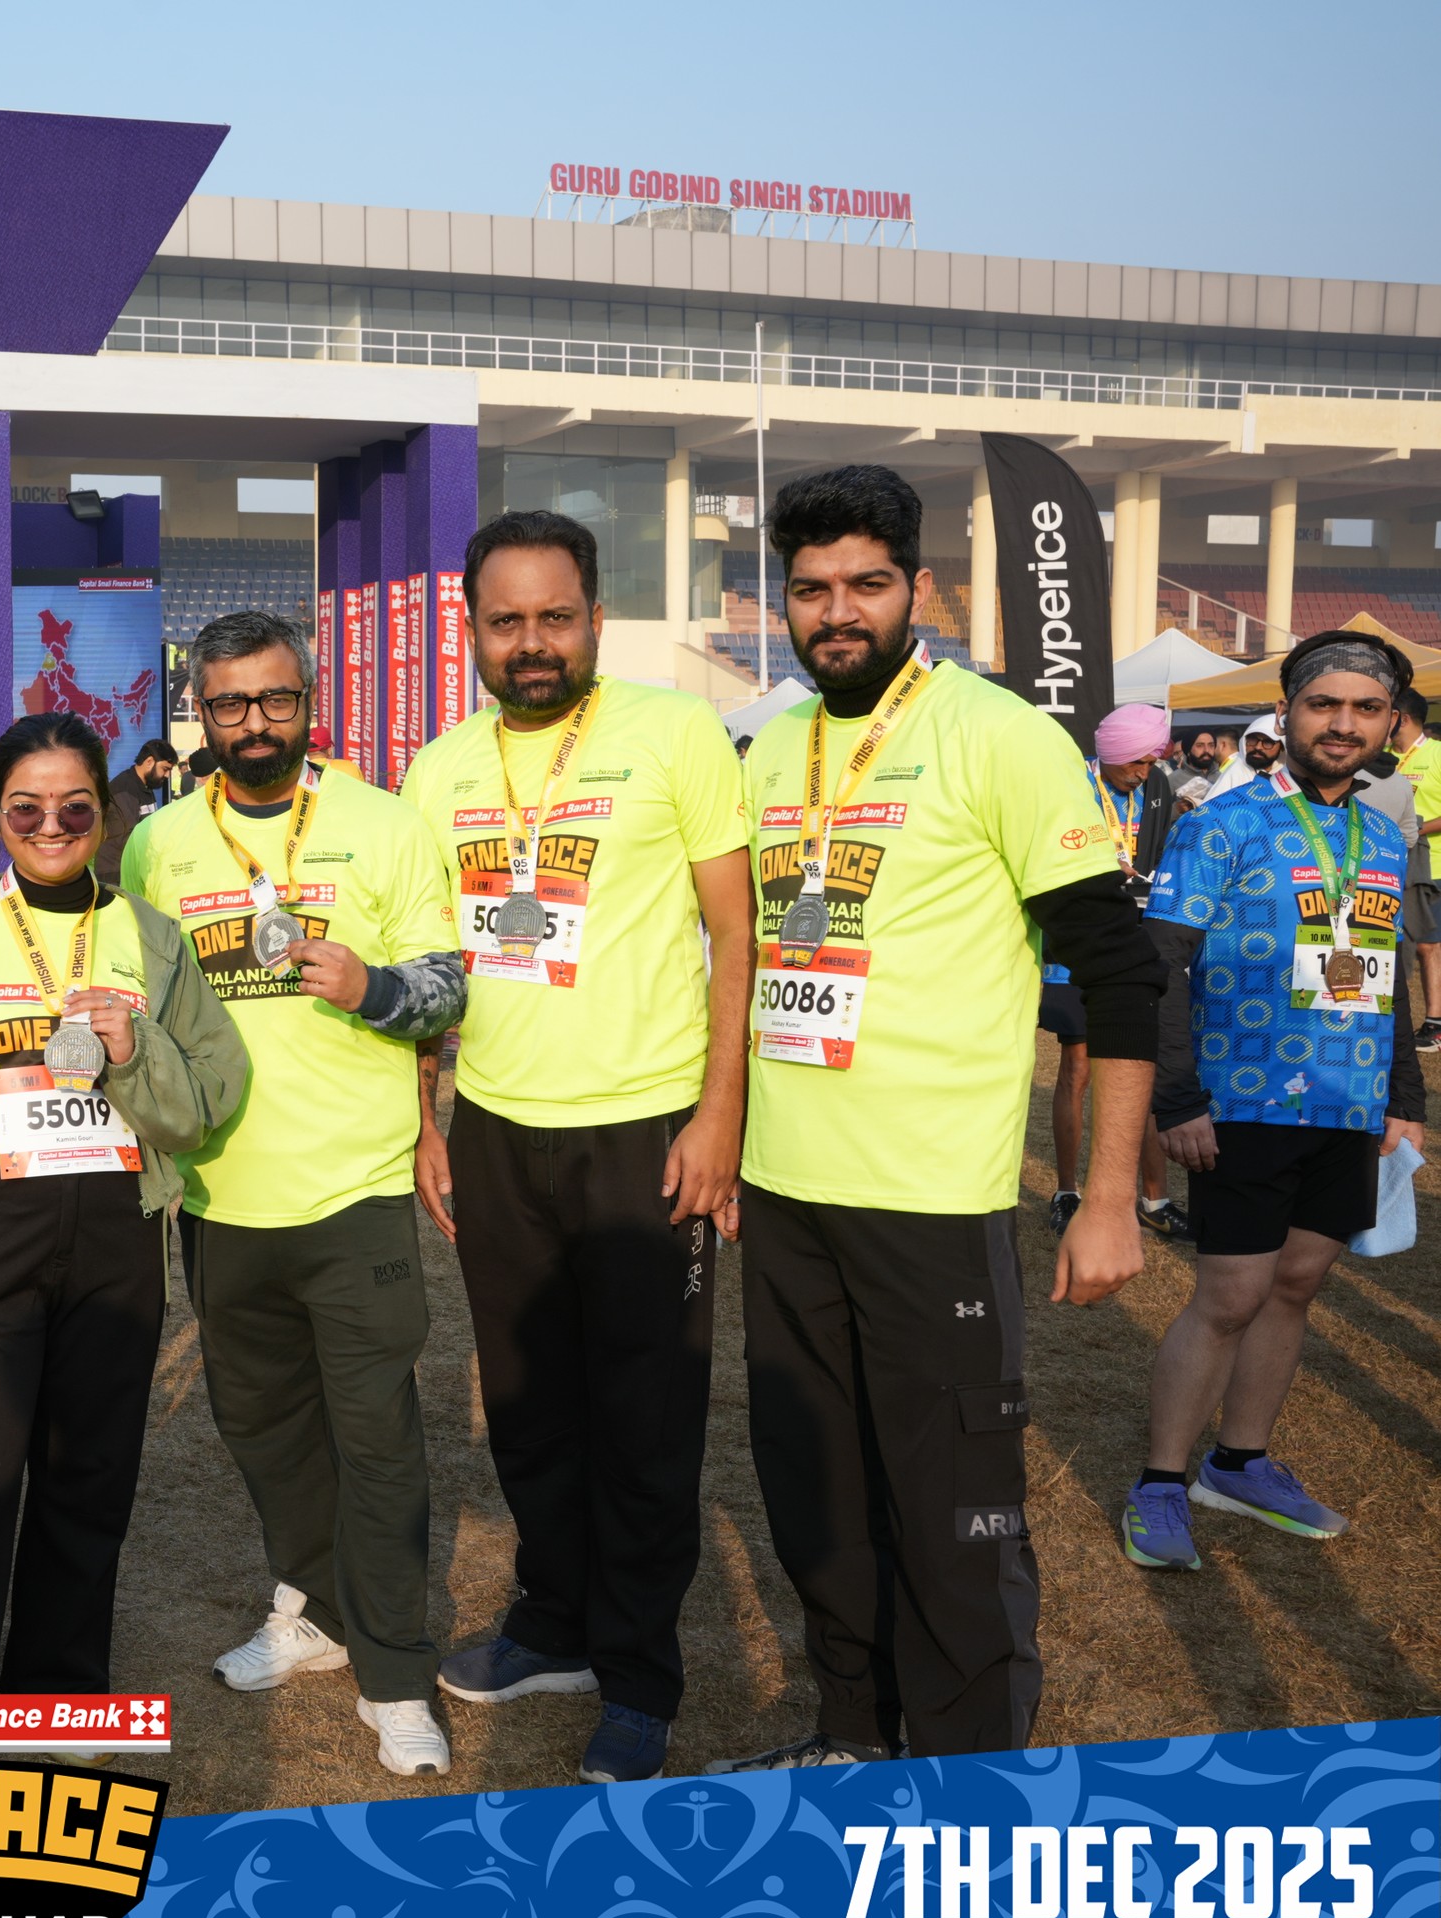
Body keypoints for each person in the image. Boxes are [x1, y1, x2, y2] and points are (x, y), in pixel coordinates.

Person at [716, 464, 1159, 1774]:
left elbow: (1120, 972)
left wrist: (1109, 1195)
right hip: (786, 1192)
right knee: (819, 1494)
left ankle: (972, 1799)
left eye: (865, 584)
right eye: (811, 589)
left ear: (919, 588)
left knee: (954, 1511)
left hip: (932, 1200)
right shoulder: (774, 747)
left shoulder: (999, 734)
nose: (837, 611)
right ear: (784, 602)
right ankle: (853, 1736)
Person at [398, 509, 751, 1786]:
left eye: (556, 616)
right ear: (473, 631)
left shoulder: (676, 732)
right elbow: (431, 960)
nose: (533, 641)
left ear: (597, 617)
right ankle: (553, 1620)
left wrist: (720, 1114)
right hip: (497, 1128)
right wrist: (425, 1117)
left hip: (645, 1127)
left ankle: (639, 1675)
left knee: (645, 1418)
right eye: (508, 621)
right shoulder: (439, 769)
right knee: (528, 1403)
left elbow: (738, 932)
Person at [120, 608, 467, 1777]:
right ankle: (314, 1606)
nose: (255, 721)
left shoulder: (384, 823)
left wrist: (373, 987)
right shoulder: (158, 843)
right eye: (230, 703)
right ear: (200, 714)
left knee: (377, 1438)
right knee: (262, 1427)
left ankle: (397, 1672)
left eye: (275, 698)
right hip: (222, 1196)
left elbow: (449, 985)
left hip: (353, 1191)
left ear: (309, 703)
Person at [0, 711, 247, 1717]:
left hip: (117, 1224)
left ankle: (58, 1697)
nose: (50, 825)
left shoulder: (151, 938)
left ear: (104, 814)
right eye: (25, 808)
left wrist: (135, 1049)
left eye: (75, 807)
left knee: (89, 1478)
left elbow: (208, 1096)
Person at [1124, 632, 1425, 1569]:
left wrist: (1404, 1095)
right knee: (1231, 1295)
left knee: (1296, 1286)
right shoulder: (1222, 822)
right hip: (1245, 1095)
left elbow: (1386, 972)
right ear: (1287, 712)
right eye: (1323, 704)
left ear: (1390, 723)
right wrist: (1177, 1099)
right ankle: (1160, 1483)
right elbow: (1162, 966)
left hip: (1347, 1101)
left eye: (1365, 709)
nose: (1343, 724)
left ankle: (1239, 1464)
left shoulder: (1384, 832)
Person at [1039, 703, 1191, 1242]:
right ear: (1110, 753)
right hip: (1077, 946)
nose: (1144, 773)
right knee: (1078, 1069)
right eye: (1136, 763)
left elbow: (1160, 845)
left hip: (1136, 941)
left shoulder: (1157, 787)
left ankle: (1155, 1199)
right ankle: (1067, 1192)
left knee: (1139, 1067)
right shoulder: (1071, 783)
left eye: (1151, 762)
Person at [1386, 686, 1441, 1054]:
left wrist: (1413, 830)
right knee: (1394, 943)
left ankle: (1434, 1023)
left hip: (1432, 864)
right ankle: (1395, 1019)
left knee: (1427, 945)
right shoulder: (1384, 759)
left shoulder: (1437, 754)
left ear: (1401, 718)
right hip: (1390, 864)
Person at [100, 735, 179, 881]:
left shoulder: (145, 787)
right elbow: (130, 838)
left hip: (133, 869)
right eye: (165, 769)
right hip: (117, 873)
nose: (168, 775)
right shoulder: (124, 789)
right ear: (149, 762)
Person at [1201, 713, 1284, 804]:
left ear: (1282, 747)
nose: (1258, 747)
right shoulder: (1235, 772)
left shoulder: (1286, 775)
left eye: (1268, 742)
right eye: (1253, 739)